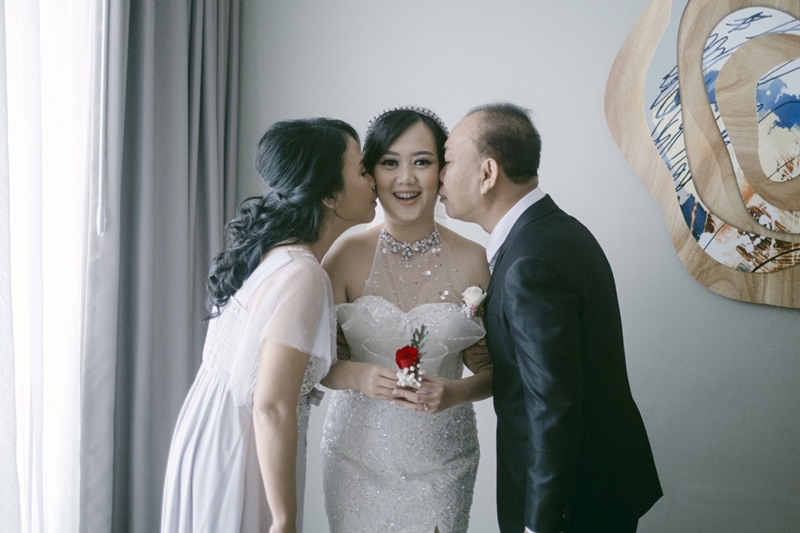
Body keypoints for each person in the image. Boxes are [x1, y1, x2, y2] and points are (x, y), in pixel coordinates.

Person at [438, 102, 662, 533]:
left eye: (447, 160)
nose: (439, 176)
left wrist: (539, 525)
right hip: (600, 484)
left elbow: (552, 407)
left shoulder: (529, 262)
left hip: (573, 504)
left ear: (487, 173)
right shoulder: (556, 232)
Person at [160, 118, 377, 533]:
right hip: (242, 450)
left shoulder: (273, 251)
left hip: (211, 430)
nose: (374, 182)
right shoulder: (303, 273)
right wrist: (284, 519)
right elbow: (272, 406)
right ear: (329, 194)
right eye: (363, 170)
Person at [320, 107, 492, 533]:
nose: (406, 179)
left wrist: (455, 392)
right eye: (390, 163)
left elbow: (497, 371)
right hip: (355, 458)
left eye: (422, 162)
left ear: (442, 171)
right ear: (371, 175)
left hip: (443, 459)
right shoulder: (343, 257)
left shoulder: (475, 260)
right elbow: (315, 364)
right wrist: (358, 376)